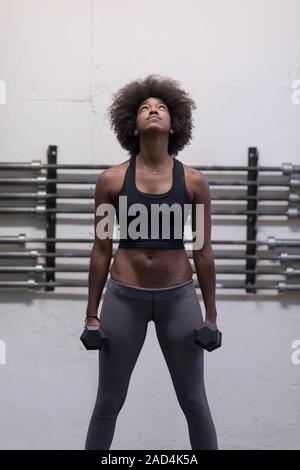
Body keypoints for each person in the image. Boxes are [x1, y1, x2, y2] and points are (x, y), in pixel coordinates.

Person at [84, 74, 219, 450]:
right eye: (145, 108)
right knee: (108, 401)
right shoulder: (111, 180)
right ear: (133, 124)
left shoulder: (194, 181)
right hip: (124, 298)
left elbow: (203, 250)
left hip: (178, 299)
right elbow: (101, 249)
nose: (153, 110)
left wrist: (211, 315)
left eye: (160, 107)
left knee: (194, 400)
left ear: (173, 123)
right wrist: (91, 314)